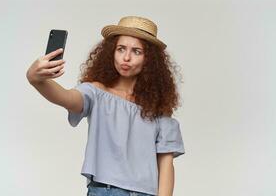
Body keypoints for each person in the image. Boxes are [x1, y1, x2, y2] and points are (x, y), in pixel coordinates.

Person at [26, 16, 185, 196]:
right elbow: (67, 98)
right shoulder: (96, 93)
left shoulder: (158, 109)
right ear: (111, 52)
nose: (126, 57)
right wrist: (36, 80)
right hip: (104, 191)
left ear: (149, 60)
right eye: (121, 49)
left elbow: (166, 164)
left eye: (137, 51)